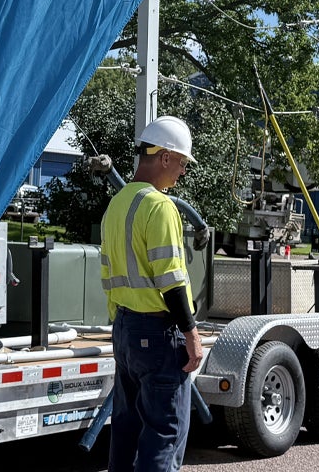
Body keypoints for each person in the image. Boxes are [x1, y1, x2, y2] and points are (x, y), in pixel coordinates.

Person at [101, 115, 203, 472]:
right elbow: (172, 280)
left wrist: (123, 324)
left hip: (126, 330)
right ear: (164, 157)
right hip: (158, 334)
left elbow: (108, 274)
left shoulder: (116, 205)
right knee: (164, 433)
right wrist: (191, 334)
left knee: (126, 431)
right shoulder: (160, 206)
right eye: (182, 163)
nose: (183, 172)